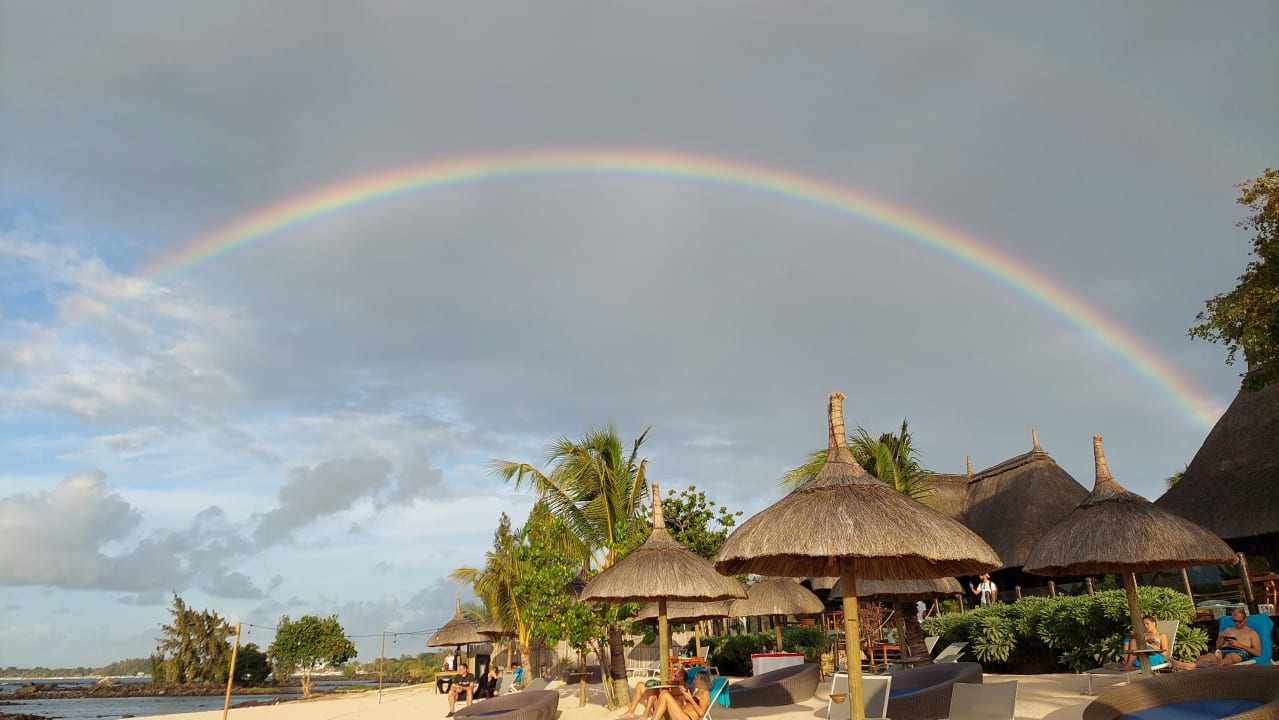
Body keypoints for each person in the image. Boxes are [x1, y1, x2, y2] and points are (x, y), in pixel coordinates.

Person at [1173, 608, 1261, 669]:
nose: (1237, 623)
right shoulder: (1228, 629)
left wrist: (1240, 645)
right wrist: (1220, 637)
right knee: (1205, 658)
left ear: (1245, 619)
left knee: (1232, 657)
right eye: (1234, 621)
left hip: (1239, 652)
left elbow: (1258, 653)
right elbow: (1218, 646)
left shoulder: (1252, 633)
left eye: (1239, 621)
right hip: (1222, 650)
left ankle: (1222, 663)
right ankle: (1190, 665)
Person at [620, 665, 685, 720]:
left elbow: (669, 695)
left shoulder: (683, 688)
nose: (673, 677)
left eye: (676, 676)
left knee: (654, 690)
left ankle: (646, 714)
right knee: (640, 685)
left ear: (682, 677)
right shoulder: (673, 685)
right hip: (656, 705)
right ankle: (630, 712)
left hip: (664, 711)